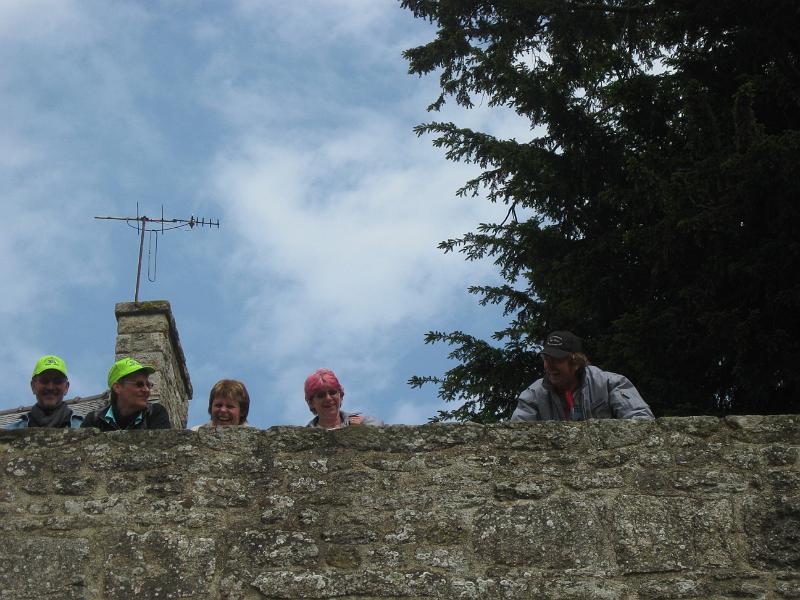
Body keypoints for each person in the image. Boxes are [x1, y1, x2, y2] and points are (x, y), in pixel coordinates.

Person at [511, 331, 654, 421]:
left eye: (557, 360)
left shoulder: (611, 383)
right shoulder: (533, 395)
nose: (549, 366)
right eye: (546, 359)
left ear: (576, 363)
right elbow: (517, 433)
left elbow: (642, 421)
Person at [81, 357, 171, 430]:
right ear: (117, 387)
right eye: (139, 384)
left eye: (148, 385)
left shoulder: (155, 413)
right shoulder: (94, 420)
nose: (146, 390)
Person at [6, 355, 82, 429]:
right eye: (44, 381)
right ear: (33, 386)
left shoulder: (83, 427)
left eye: (57, 381)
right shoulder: (8, 433)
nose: (50, 387)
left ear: (66, 387)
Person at [304, 368, 383, 429]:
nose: (328, 398)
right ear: (311, 402)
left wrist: (361, 429)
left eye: (332, 392)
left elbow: (380, 429)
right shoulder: (306, 435)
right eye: (321, 395)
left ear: (340, 396)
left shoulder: (365, 422)